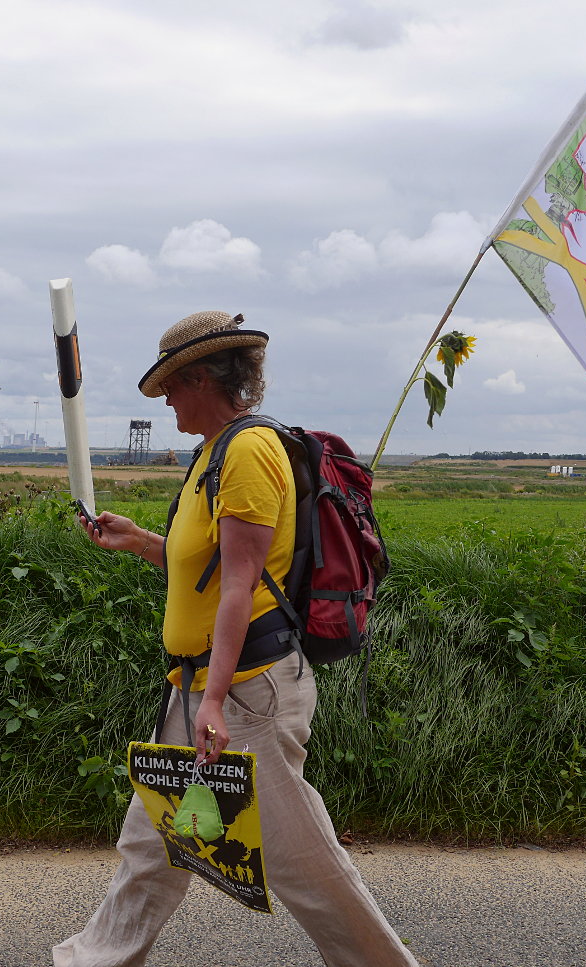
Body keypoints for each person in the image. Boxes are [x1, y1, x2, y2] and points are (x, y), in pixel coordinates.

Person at [53, 310, 420, 967]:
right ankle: (93, 960)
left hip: (244, 697)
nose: (164, 399)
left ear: (202, 377)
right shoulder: (210, 456)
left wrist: (215, 701)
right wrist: (139, 541)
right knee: (150, 845)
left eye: (171, 385)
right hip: (203, 691)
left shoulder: (248, 452)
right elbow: (208, 567)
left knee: (307, 867)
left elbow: (239, 586)